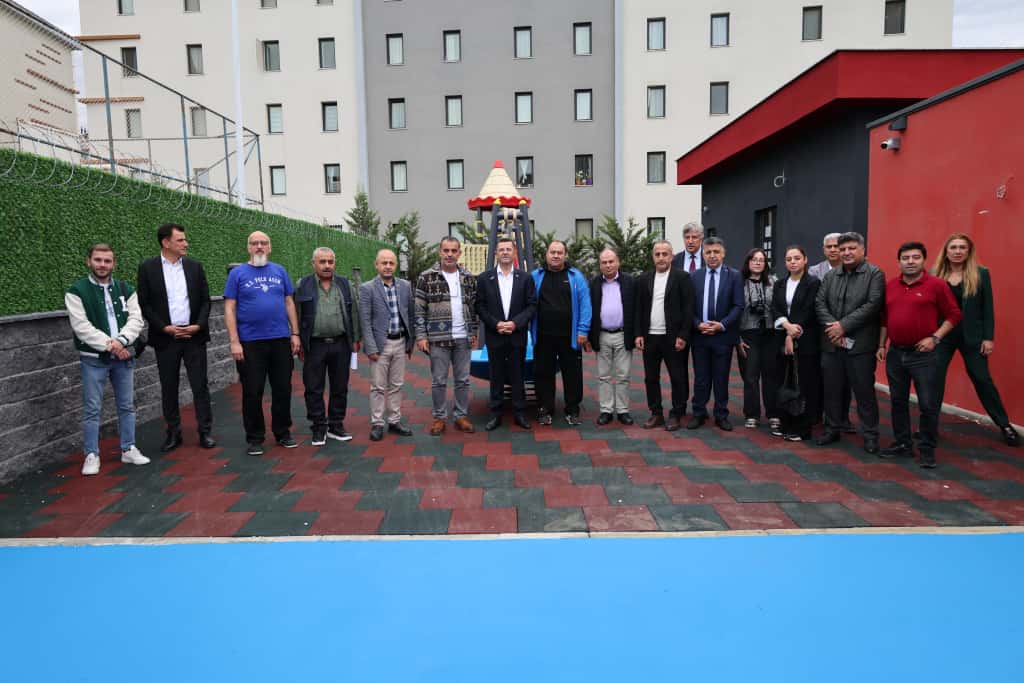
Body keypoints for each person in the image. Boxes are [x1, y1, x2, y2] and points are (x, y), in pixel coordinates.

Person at [66, 243, 149, 475]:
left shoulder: (125, 289)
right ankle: (91, 455)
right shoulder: (76, 291)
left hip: (123, 358)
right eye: (98, 260)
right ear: (89, 261)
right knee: (92, 409)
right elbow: (81, 327)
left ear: (114, 263)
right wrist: (112, 346)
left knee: (127, 405)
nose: (102, 265)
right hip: (93, 359)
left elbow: (136, 319)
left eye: (107, 261)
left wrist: (121, 341)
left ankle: (128, 449)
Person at [876, 242, 961, 468]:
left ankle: (927, 449)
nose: (910, 262)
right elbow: (884, 319)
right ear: (899, 262)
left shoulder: (937, 285)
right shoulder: (891, 286)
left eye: (915, 257)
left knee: (927, 404)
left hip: (923, 355)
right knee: (897, 401)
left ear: (924, 260)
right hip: (896, 353)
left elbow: (954, 315)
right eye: (906, 258)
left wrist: (935, 338)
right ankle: (903, 444)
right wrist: (882, 345)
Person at [931, 233, 1018, 446]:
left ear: (968, 251)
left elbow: (988, 308)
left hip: (972, 336)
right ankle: (929, 426)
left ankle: (1004, 425)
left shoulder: (981, 274)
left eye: (962, 247)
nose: (958, 251)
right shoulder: (935, 274)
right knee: (934, 380)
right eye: (953, 247)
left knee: (982, 379)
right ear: (946, 251)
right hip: (943, 335)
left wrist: (988, 338)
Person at [136, 223, 215, 453]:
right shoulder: (147, 268)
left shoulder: (194, 267)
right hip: (166, 338)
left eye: (184, 239)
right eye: (180, 240)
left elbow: (205, 300)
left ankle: (205, 431)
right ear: (165, 242)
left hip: (193, 337)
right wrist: (164, 328)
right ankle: (173, 432)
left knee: (200, 386)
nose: (185, 243)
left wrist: (198, 326)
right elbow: (145, 304)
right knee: (169, 387)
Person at [223, 231, 301, 456]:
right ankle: (255, 438)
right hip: (250, 343)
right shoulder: (237, 274)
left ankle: (282, 432)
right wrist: (234, 341)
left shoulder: (280, 271)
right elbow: (229, 307)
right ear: (248, 247)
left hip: (280, 340)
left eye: (263, 243)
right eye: (255, 243)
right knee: (252, 391)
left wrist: (295, 333)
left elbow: (289, 302)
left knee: (282, 389)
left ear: (270, 247)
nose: (259, 246)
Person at [814, 231, 885, 454]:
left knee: (864, 392)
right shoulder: (831, 275)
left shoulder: (874, 274)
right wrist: (834, 328)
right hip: (832, 343)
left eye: (851, 248)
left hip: (861, 346)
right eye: (842, 249)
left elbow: (872, 305)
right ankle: (832, 429)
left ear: (862, 250)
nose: (846, 252)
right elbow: (820, 303)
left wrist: (843, 326)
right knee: (832, 390)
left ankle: (870, 435)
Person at [296, 247, 362, 447]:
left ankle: (336, 425)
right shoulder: (303, 285)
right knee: (313, 388)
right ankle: (318, 426)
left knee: (339, 387)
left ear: (334, 263)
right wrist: (298, 340)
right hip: (314, 345)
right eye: (322, 262)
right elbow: (296, 313)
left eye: (330, 262)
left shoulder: (345, 284)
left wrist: (355, 338)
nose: (327, 266)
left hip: (341, 343)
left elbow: (354, 312)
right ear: (313, 264)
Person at [415, 237, 479, 436]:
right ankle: (439, 417)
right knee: (439, 381)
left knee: (463, 380)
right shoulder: (426, 277)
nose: (449, 254)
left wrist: (473, 331)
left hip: (463, 337)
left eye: (453, 250)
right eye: (446, 250)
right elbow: (419, 309)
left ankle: (460, 415)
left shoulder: (468, 278)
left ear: (459, 253)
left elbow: (474, 307)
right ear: (439, 252)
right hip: (437, 337)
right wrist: (421, 335)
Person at [475, 238, 536, 431]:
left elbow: (532, 305)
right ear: (495, 253)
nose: (505, 252)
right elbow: (480, 306)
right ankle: (495, 414)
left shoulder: (525, 278)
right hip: (495, 335)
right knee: (496, 377)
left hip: (517, 335)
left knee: (518, 376)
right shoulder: (484, 279)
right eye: (501, 249)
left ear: (515, 252)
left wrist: (515, 323)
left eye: (508, 249)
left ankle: (519, 413)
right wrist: (496, 324)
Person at [634, 241, 695, 431]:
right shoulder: (644, 279)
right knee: (651, 378)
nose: (661, 258)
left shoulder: (682, 277)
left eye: (665, 254)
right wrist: (638, 334)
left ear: (671, 256)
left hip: (673, 337)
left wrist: (683, 335)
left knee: (677, 377)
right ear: (653, 257)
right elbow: (638, 309)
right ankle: (656, 413)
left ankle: (676, 414)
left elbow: (689, 308)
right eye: (657, 254)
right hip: (650, 337)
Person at [531, 240, 592, 425]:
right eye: (553, 252)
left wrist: (583, 330)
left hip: (570, 337)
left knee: (572, 374)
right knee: (543, 373)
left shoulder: (576, 276)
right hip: (543, 336)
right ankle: (545, 408)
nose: (556, 256)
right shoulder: (536, 276)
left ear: (565, 255)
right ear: (547, 254)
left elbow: (585, 305)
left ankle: (572, 409)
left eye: (559, 252)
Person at [359, 249, 415, 442]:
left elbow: (410, 315)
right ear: (376, 265)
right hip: (380, 345)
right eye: (384, 263)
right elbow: (365, 321)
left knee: (396, 385)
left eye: (391, 263)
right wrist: (371, 347)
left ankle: (394, 420)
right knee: (377, 386)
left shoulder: (405, 286)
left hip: (400, 341)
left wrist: (410, 342)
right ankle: (377, 423)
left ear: (396, 265)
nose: (388, 266)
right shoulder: (367, 288)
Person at [689, 237, 744, 431]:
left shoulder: (734, 276)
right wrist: (697, 324)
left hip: (723, 336)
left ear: (723, 253)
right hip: (700, 336)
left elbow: (738, 306)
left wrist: (722, 325)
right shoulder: (694, 276)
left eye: (716, 252)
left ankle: (721, 414)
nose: (712, 256)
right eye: (708, 252)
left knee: (721, 378)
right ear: (703, 254)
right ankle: (699, 412)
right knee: (701, 378)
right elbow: (689, 307)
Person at [771, 245, 822, 442]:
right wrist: (786, 327)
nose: (792, 262)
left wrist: (792, 334)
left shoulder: (813, 283)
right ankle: (786, 422)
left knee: (805, 382)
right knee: (784, 381)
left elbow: (809, 310)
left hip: (806, 339)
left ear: (805, 260)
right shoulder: (780, 284)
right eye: (789, 259)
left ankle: (802, 428)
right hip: (782, 337)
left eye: (797, 258)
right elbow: (775, 308)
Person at [809, 232, 854, 432]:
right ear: (824, 249)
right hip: (822, 332)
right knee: (822, 377)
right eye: (830, 247)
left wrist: (843, 326)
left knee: (846, 379)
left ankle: (843, 418)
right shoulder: (814, 271)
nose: (834, 250)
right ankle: (820, 415)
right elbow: (816, 302)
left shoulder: (854, 269)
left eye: (837, 246)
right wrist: (832, 325)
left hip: (848, 331)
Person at [588, 248, 637, 426]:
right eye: (604, 262)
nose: (608, 265)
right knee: (604, 376)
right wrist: (588, 336)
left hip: (623, 334)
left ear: (618, 262)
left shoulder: (630, 282)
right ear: (600, 265)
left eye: (611, 261)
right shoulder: (593, 283)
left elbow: (637, 309)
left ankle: (623, 410)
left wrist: (637, 334)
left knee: (623, 375)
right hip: (602, 335)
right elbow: (589, 310)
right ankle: (606, 410)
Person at [737, 248, 781, 433]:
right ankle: (752, 414)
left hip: (770, 333)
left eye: (761, 260)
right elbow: (734, 310)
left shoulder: (774, 281)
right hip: (748, 334)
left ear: (765, 264)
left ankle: (773, 413)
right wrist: (737, 338)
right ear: (748, 262)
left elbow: (779, 307)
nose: (757, 262)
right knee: (750, 376)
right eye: (754, 259)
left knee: (771, 376)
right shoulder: (739, 282)